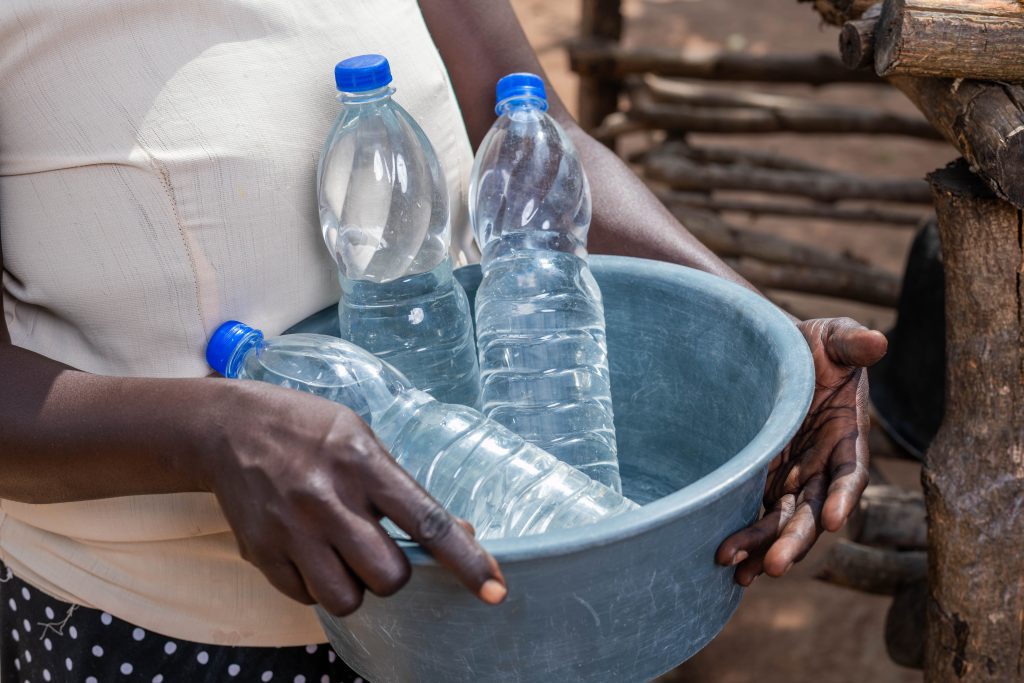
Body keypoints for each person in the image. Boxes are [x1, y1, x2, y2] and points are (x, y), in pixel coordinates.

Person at [0, 0, 888, 679]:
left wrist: (777, 344)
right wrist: (215, 430)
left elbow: (538, 139)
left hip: (487, 595)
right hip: (177, 633)